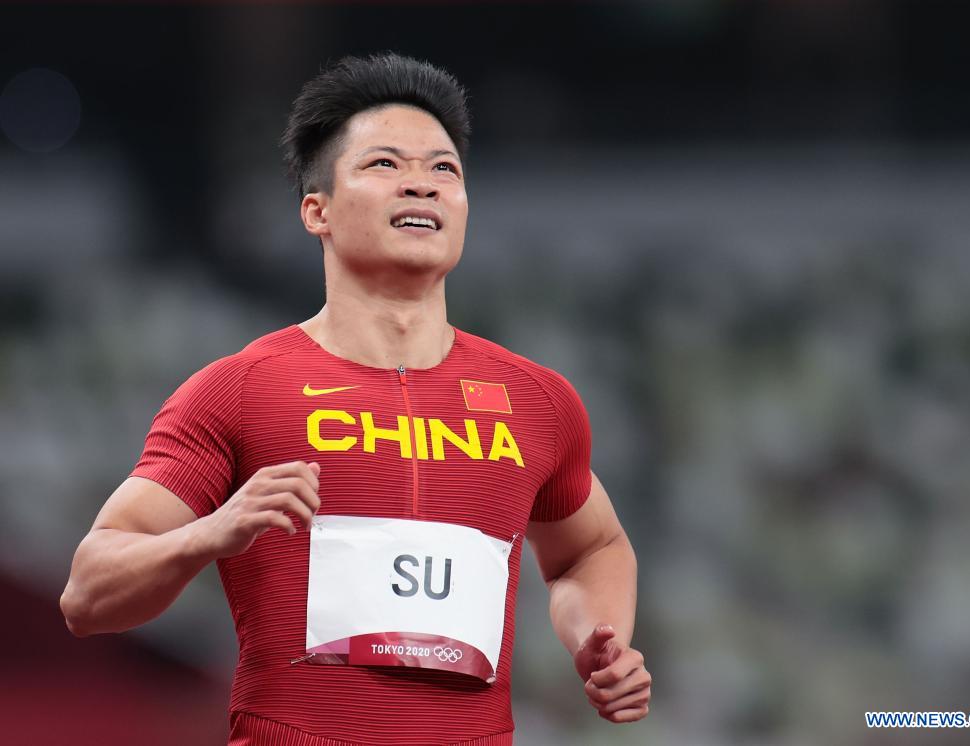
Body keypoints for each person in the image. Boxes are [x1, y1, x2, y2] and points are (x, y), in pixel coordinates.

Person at [60, 52, 651, 745]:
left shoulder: (535, 401)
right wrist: (212, 531)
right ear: (318, 211)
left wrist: (598, 638)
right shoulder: (241, 389)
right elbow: (87, 595)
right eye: (384, 164)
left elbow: (592, 547)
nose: (421, 184)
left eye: (444, 169)